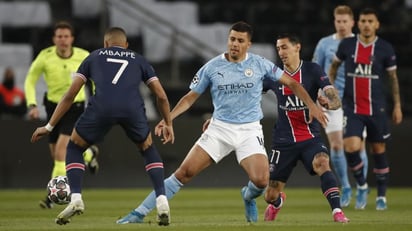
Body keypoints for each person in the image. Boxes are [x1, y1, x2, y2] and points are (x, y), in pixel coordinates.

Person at [116, 21, 328, 224]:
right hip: (219, 129)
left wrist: (311, 105)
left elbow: (293, 82)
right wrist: (168, 118)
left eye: (240, 41)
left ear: (248, 44)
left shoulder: (259, 64)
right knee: (184, 173)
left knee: (262, 181)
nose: (235, 44)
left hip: (249, 130)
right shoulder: (212, 66)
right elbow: (190, 97)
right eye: (232, 39)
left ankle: (247, 196)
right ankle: (139, 212)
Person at [30, 27, 175, 225]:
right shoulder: (139, 59)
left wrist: (48, 126)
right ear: (126, 45)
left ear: (105, 44)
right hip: (131, 108)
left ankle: (76, 199)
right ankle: (161, 200)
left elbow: (70, 95)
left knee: (74, 147)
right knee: (148, 148)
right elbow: (161, 96)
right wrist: (168, 123)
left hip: (101, 107)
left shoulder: (94, 57)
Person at [262, 33, 349, 223]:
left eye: (284, 47)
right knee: (270, 194)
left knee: (323, 163)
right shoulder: (274, 75)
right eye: (278, 48)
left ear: (297, 47)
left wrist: (328, 104)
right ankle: (277, 202)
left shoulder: (312, 70)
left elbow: (334, 97)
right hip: (283, 141)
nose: (281, 52)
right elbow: (249, 96)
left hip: (310, 137)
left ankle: (337, 212)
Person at [329, 8, 403, 210]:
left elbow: (393, 79)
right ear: (358, 23)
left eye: (371, 20)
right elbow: (334, 67)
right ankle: (362, 184)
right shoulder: (347, 45)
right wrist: (330, 90)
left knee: (378, 150)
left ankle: (381, 196)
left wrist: (397, 106)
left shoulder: (385, 49)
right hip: (352, 108)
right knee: (350, 147)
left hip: (377, 109)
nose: (366, 24)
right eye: (363, 21)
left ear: (377, 24)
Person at [24, 21, 100, 209]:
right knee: (56, 155)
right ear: (54, 39)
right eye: (59, 36)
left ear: (72, 39)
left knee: (60, 151)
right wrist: (32, 104)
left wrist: (98, 100)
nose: (63, 40)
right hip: (52, 108)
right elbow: (30, 80)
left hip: (75, 107)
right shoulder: (46, 56)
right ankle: (89, 154)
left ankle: (52, 196)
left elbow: (97, 79)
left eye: (66, 36)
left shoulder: (83, 56)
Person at [312, 5, 368, 208]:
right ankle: (345, 186)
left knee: (358, 146)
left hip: (356, 101)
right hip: (332, 101)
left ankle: (362, 186)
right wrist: (317, 95)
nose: (342, 25)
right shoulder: (325, 43)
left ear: (352, 23)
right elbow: (316, 69)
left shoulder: (360, 43)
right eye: (338, 21)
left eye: (345, 21)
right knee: (336, 145)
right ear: (334, 21)